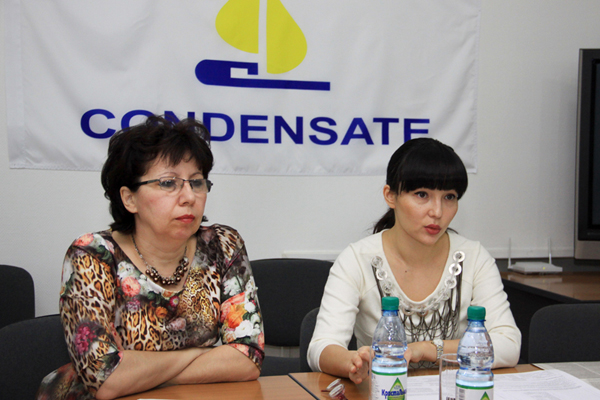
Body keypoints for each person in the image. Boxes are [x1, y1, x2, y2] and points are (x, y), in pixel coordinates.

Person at [37, 115, 264, 400]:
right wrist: (201, 354)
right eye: (168, 183)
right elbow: (105, 379)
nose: (189, 196)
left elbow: (248, 356)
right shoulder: (92, 255)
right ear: (129, 198)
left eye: (196, 182)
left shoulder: (222, 244)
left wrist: (139, 372)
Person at [307, 138, 521, 383]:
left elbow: (508, 345)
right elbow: (321, 348)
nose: (437, 212)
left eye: (449, 197)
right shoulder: (357, 259)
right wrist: (352, 361)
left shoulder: (474, 258)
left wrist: (427, 349)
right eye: (422, 195)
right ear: (390, 196)